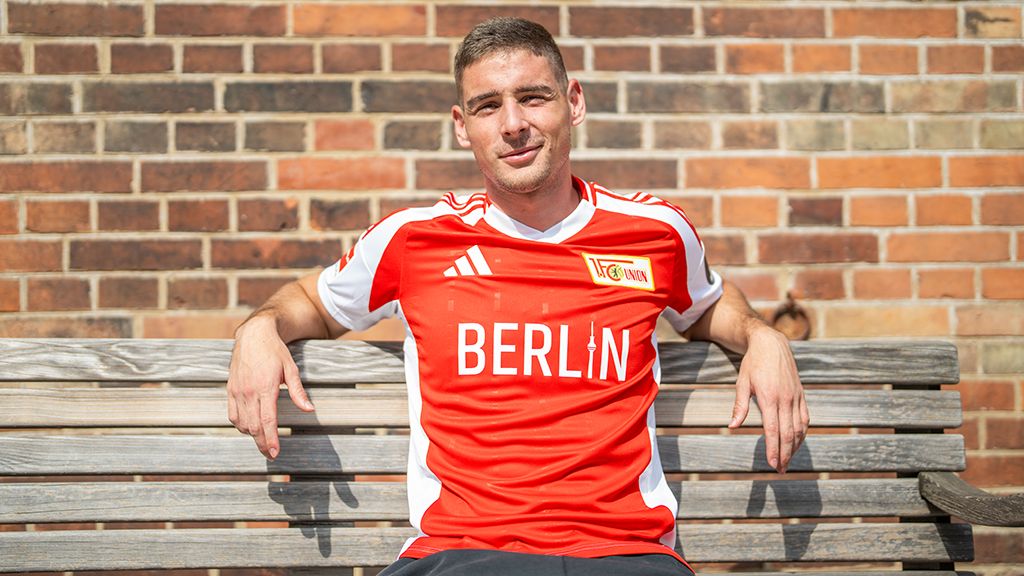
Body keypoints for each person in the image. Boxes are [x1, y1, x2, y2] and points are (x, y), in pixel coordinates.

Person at [228, 17, 808, 576]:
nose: (512, 124)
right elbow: (311, 302)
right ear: (462, 126)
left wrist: (762, 335)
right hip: (459, 554)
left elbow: (706, 306)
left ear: (573, 102)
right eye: (488, 106)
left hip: (624, 555)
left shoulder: (653, 233)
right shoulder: (414, 240)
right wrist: (260, 327)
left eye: (533, 97)